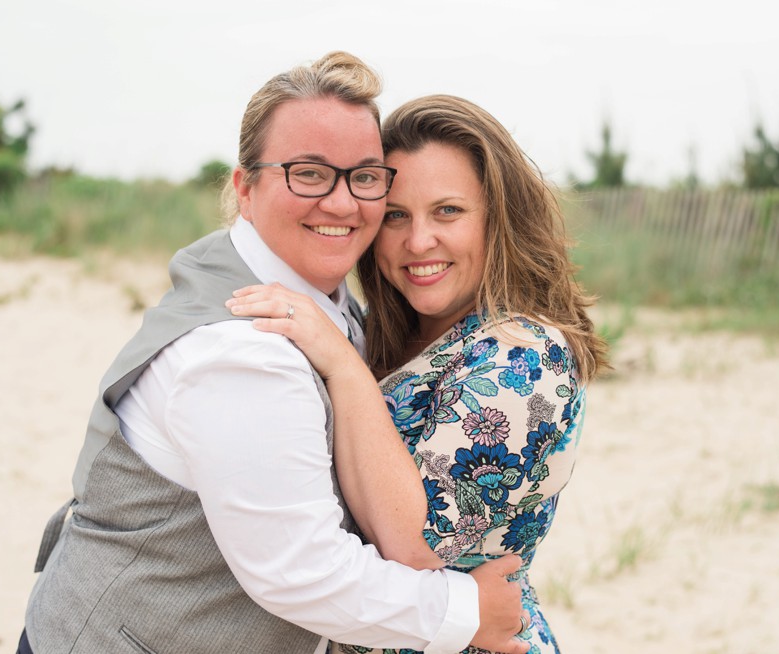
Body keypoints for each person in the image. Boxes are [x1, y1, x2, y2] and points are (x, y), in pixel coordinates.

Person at [17, 55, 530, 654]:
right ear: (245, 187)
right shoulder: (242, 354)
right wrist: (467, 612)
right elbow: (302, 572)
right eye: (309, 173)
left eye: (364, 177)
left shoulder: (310, 296)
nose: (342, 203)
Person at [227, 94, 610, 653]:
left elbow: (418, 544)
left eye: (448, 211)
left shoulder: (523, 357)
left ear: (497, 220)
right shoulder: (385, 333)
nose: (418, 241)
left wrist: (341, 364)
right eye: (397, 216)